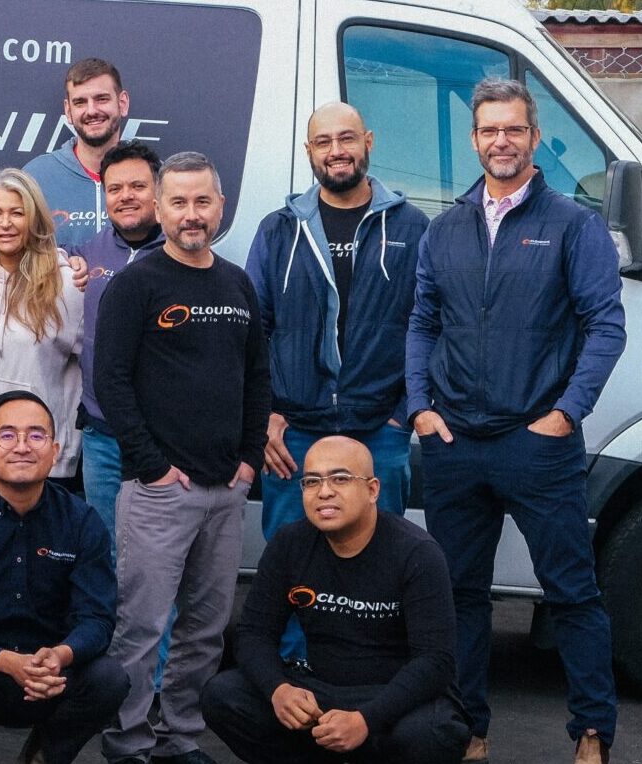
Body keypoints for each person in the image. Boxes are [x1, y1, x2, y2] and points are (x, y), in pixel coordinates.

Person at [407, 78, 625, 764]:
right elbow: (422, 322)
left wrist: (566, 415)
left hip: (538, 445)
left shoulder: (572, 225)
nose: (501, 141)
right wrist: (419, 408)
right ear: (474, 140)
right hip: (454, 448)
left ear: (533, 139)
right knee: (460, 596)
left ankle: (592, 733)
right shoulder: (445, 227)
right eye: (489, 130)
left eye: (514, 130)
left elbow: (606, 327)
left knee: (572, 593)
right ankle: (470, 730)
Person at [94, 151, 270, 764]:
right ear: (159, 207)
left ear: (220, 206)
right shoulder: (136, 284)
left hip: (226, 492)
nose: (191, 215)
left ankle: (179, 738)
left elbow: (257, 377)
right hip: (159, 492)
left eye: (203, 202)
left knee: (204, 630)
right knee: (141, 630)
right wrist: (151, 467)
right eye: (179, 202)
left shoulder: (237, 283)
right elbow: (110, 381)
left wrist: (248, 462)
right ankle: (130, 743)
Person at [245, 102, 429, 665]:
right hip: (296, 428)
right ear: (309, 153)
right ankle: (293, 669)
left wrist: (403, 410)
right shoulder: (280, 229)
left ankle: (374, 669)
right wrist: (267, 414)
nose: (336, 151)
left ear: (368, 141)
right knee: (291, 557)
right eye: (323, 142)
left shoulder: (410, 226)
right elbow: (256, 330)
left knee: (383, 557)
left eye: (347, 138)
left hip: (379, 428)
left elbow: (431, 324)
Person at [203, 435, 469, 764]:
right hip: (321, 691)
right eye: (312, 481)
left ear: (373, 490)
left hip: (391, 697)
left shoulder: (417, 553)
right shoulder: (291, 543)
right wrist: (279, 690)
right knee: (223, 695)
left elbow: (436, 662)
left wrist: (365, 719)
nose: (324, 491)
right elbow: (253, 633)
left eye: (340, 479)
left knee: (435, 734)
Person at [0, 390, 127, 764]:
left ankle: (44, 755)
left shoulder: (81, 522)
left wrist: (61, 655)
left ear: (55, 449)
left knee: (110, 679)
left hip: (52, 672)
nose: (22, 447)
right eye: (8, 435)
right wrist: (6, 661)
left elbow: (97, 618)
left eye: (36, 435)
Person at [0, 170, 82, 487]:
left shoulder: (65, 283)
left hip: (40, 450)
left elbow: (88, 361)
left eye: (17, 213)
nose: (5, 223)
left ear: (34, 219)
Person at [66, 140, 163, 540]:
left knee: (157, 556)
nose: (126, 197)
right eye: (115, 189)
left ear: (159, 191)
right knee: (105, 551)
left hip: (162, 439)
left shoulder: (181, 254)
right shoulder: (90, 251)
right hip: (101, 438)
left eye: (137, 186)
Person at [22, 58, 130, 251]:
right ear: (68, 111)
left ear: (122, 103)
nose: (91, 110)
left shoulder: (154, 176)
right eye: (80, 102)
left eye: (101, 99)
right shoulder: (35, 177)